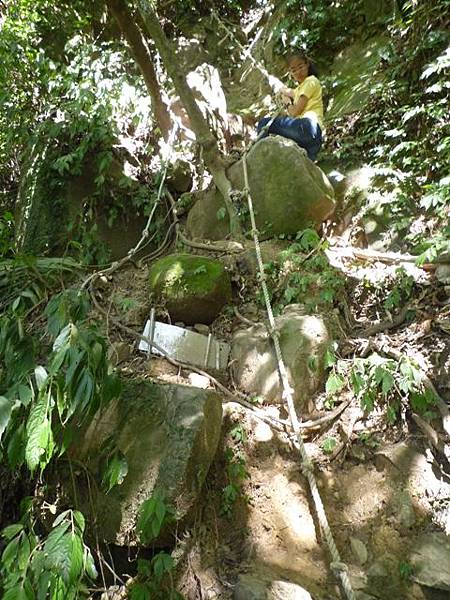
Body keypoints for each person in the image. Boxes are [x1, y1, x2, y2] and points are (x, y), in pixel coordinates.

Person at [257, 52, 324, 161]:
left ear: (307, 64)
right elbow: (288, 91)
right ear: (290, 73)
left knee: (264, 123)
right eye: (293, 70)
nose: (298, 72)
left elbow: (294, 112)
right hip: (314, 139)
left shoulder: (311, 81)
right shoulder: (300, 89)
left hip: (307, 126)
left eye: (300, 67)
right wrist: (273, 81)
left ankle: (262, 158)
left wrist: (287, 102)